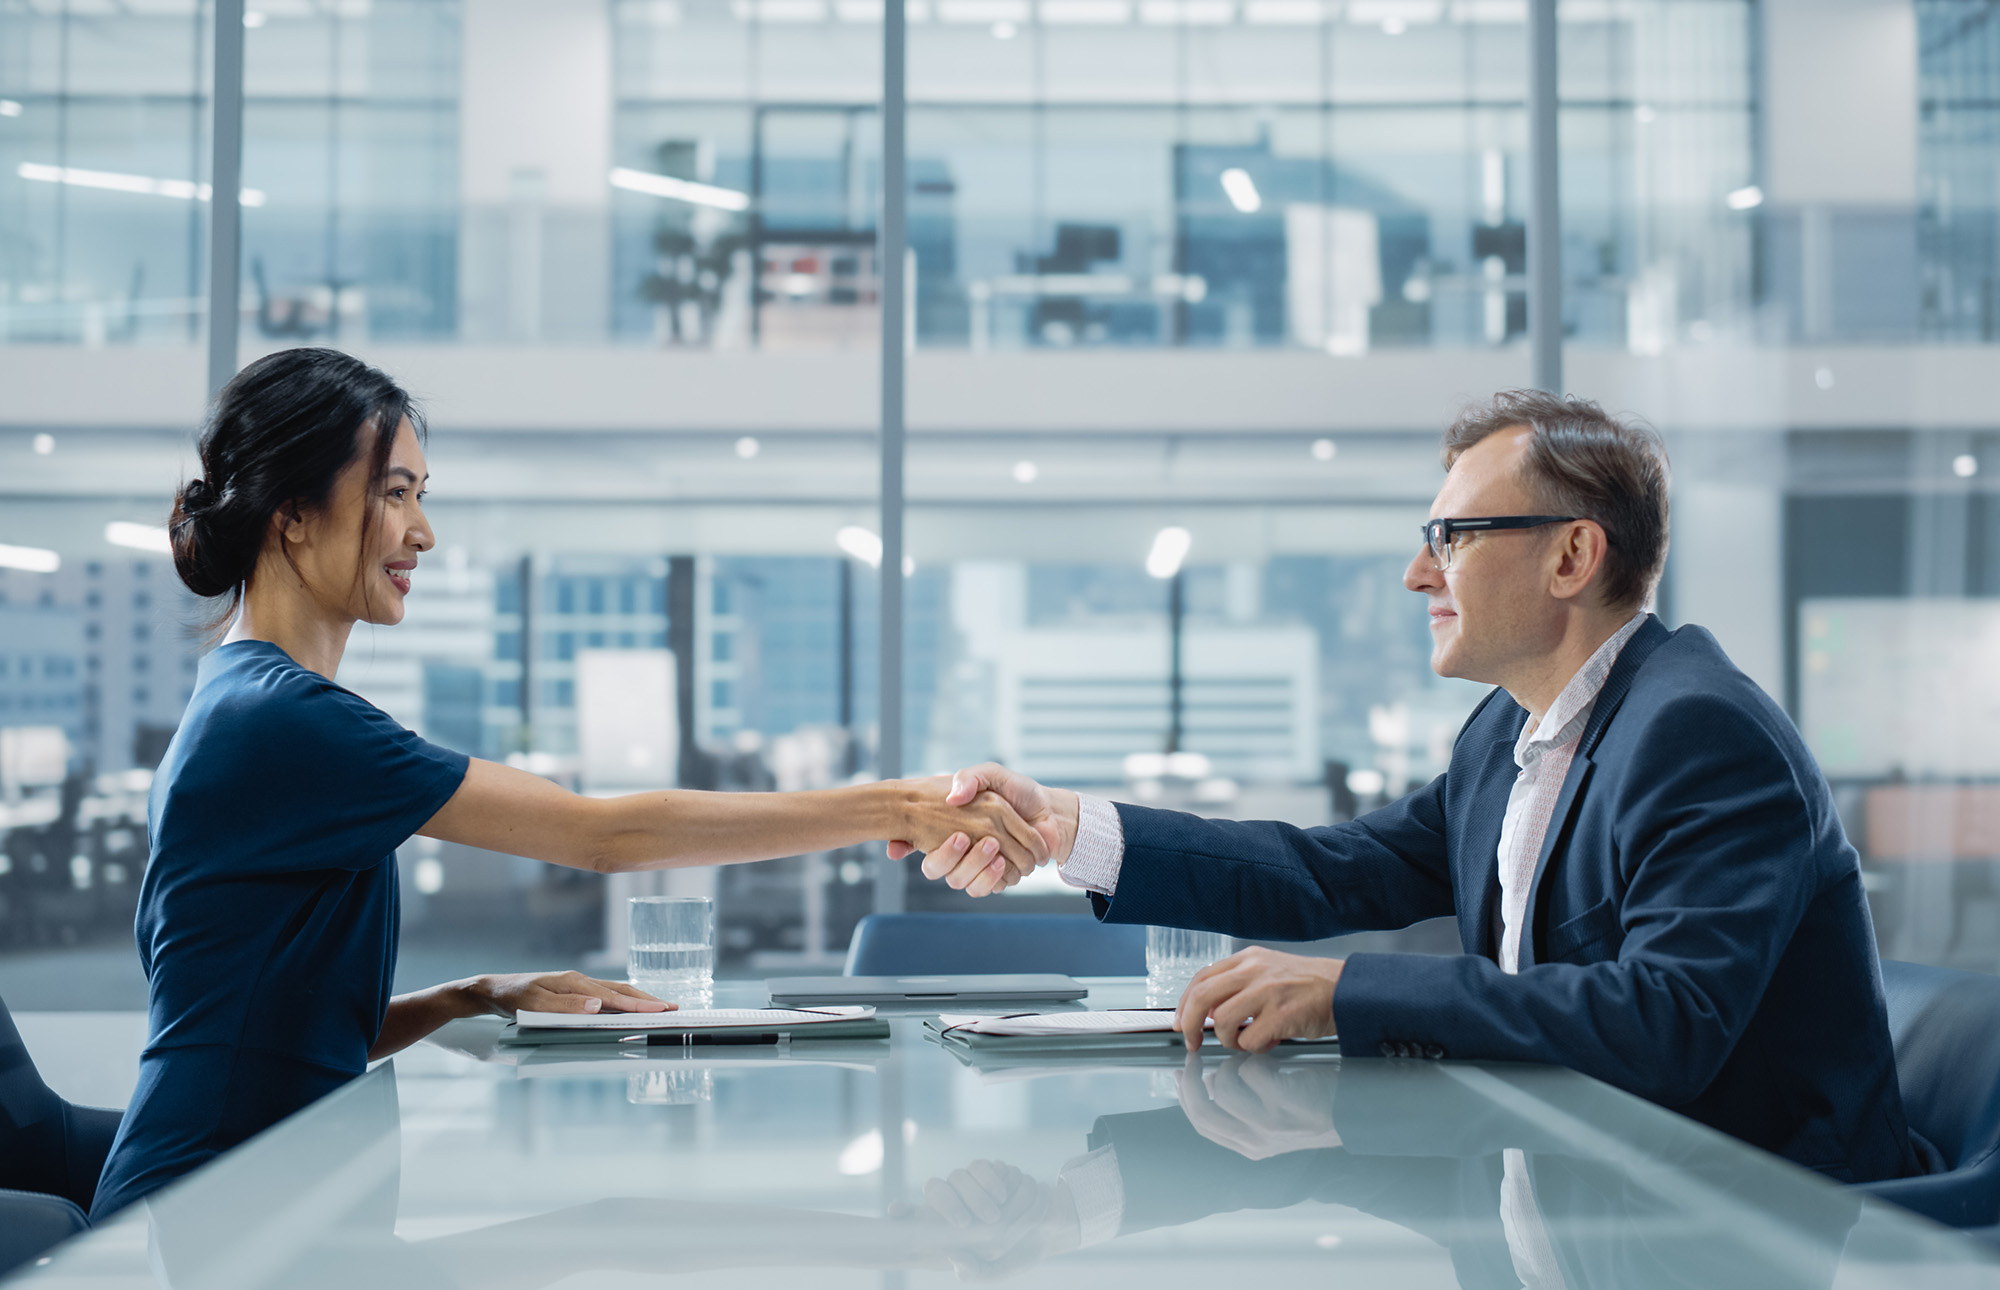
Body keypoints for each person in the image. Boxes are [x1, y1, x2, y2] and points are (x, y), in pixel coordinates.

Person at [90, 347, 1044, 1219]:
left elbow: (276, 1029)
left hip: (265, 1182)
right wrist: (896, 806)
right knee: (613, 1230)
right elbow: (604, 838)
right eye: (393, 493)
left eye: (419, 493)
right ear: (291, 516)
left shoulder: (246, 698)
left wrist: (468, 994)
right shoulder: (285, 721)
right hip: (209, 1210)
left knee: (609, 1231)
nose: (422, 531)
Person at [914, 389, 1924, 1185]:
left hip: (1753, 1218)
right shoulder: (1508, 730)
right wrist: (1065, 831)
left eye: (1452, 536)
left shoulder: (1701, 735)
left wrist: (1347, 987)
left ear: (1571, 554)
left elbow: (1660, 1022)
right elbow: (1333, 874)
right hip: (1571, 1175)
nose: (1415, 572)